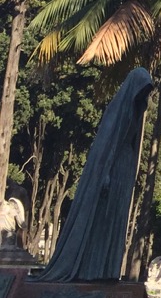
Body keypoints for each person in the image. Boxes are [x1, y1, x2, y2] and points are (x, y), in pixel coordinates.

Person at [34, 68, 153, 282]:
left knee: (115, 219)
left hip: (124, 171)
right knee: (101, 220)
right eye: (142, 90)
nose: (144, 96)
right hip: (112, 169)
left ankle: (107, 270)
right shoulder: (118, 111)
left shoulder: (136, 113)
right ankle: (91, 269)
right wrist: (105, 173)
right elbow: (106, 146)